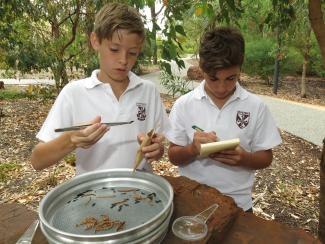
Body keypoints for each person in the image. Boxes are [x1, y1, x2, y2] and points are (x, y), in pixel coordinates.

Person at [31, 3, 170, 175]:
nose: (123, 60)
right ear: (95, 41)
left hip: (139, 192)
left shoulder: (148, 91)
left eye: (132, 52)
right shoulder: (74, 93)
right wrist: (71, 139)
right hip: (92, 195)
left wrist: (156, 150)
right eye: (114, 49)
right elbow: (37, 160)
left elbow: (159, 146)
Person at [165, 26, 282, 212]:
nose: (221, 88)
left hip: (238, 206)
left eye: (230, 78)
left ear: (240, 68)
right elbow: (173, 156)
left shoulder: (256, 107)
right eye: (213, 79)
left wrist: (245, 158)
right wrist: (192, 149)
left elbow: (266, 157)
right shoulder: (184, 105)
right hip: (191, 201)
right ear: (201, 69)